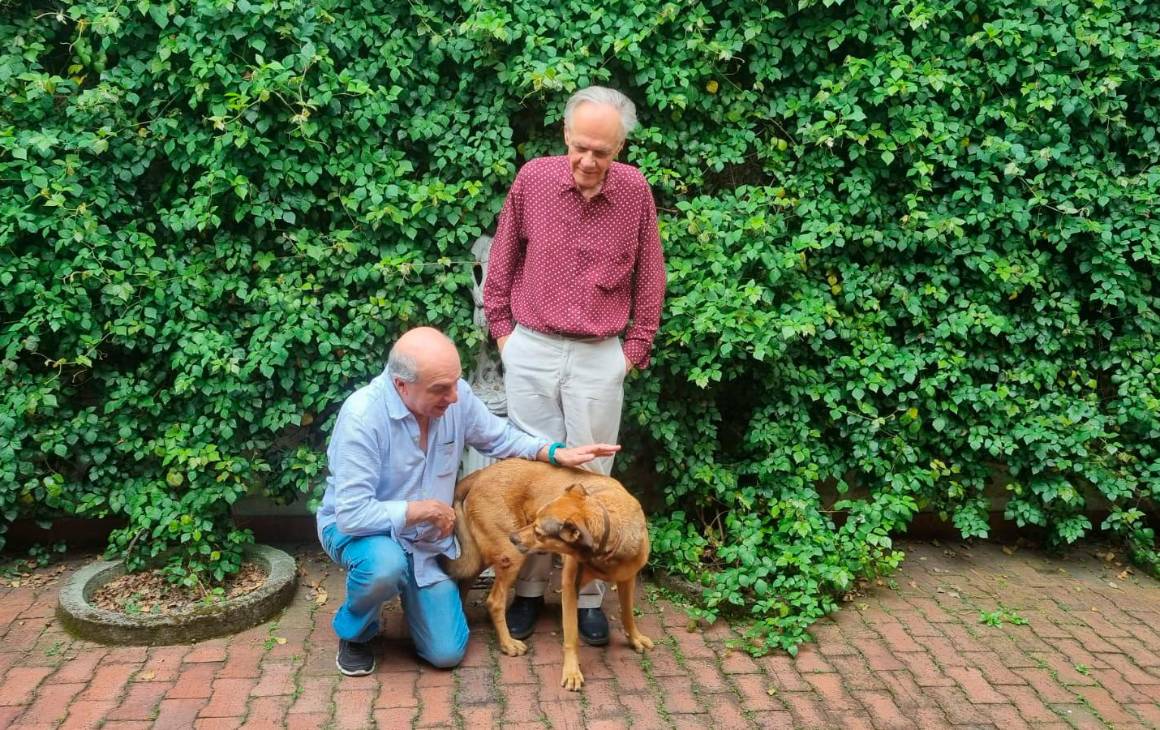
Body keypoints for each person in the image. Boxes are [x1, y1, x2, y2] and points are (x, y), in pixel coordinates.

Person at [315, 327, 619, 676]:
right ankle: (356, 631)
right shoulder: (361, 418)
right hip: (360, 533)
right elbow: (351, 514)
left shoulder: (453, 399)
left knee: (446, 653)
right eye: (441, 389)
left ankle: (411, 592)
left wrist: (552, 452)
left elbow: (499, 436)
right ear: (402, 386)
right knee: (384, 566)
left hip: (425, 544)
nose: (455, 397)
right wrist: (421, 510)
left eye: (456, 383)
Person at [483, 86, 666, 646]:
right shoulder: (533, 179)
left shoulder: (635, 191)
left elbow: (651, 276)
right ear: (565, 136)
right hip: (531, 346)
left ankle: (588, 595)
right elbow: (503, 255)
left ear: (620, 149)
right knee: (535, 474)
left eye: (602, 152)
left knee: (593, 481)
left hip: (597, 355)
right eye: (581, 147)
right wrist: (504, 333)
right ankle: (532, 593)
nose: (589, 162)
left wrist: (630, 354)